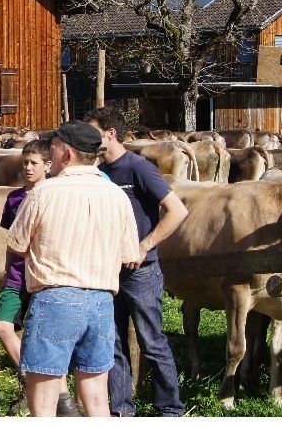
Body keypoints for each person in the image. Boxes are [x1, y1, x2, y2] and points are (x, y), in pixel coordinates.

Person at [6, 121, 141, 417]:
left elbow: (17, 244)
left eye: (53, 148)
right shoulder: (117, 195)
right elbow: (130, 254)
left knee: (44, 399)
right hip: (101, 301)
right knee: (96, 397)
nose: (50, 154)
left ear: (67, 153)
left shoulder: (43, 193)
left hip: (55, 298)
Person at [86, 106, 188, 417]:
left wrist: (144, 246)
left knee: (151, 341)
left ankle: (169, 410)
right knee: (114, 342)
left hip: (140, 272)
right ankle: (121, 411)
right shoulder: (100, 172)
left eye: (93, 132)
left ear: (110, 134)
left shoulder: (138, 168)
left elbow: (177, 210)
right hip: (109, 270)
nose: (89, 138)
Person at [0, 138, 78, 417]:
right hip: (17, 276)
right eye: (25, 163)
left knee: (44, 338)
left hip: (44, 278)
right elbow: (11, 241)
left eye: (34, 163)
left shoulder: (58, 196)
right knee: (3, 326)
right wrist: (7, 271)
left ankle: (59, 398)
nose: (28, 168)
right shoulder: (14, 199)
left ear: (48, 166)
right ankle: (29, 378)